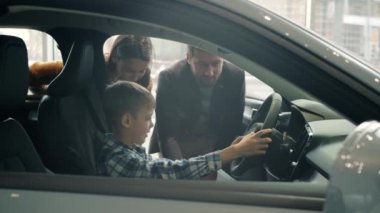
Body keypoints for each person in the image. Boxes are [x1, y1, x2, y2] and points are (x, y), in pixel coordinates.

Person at [98, 81, 271, 179]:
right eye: (147, 118)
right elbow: (174, 171)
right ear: (127, 120)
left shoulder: (128, 150)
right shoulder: (119, 160)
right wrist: (233, 152)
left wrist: (231, 152)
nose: (151, 125)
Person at [151, 46, 245, 160]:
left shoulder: (236, 77)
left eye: (216, 64)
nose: (209, 73)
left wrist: (218, 163)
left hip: (213, 140)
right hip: (178, 140)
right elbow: (168, 134)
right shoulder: (169, 78)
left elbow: (231, 128)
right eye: (202, 64)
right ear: (188, 58)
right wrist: (180, 170)